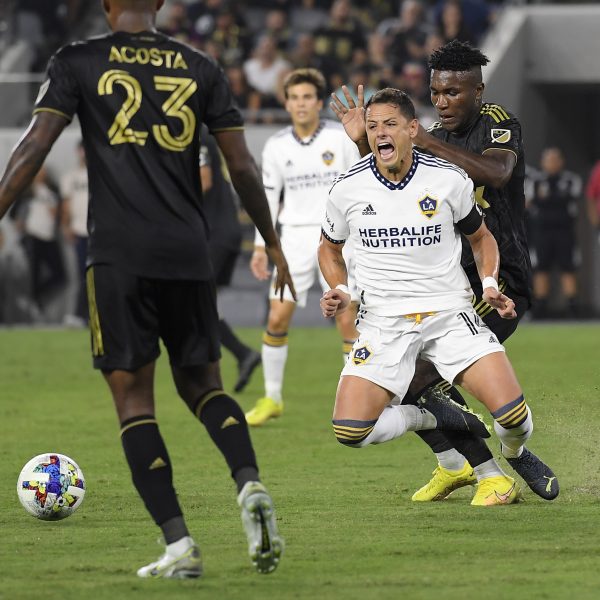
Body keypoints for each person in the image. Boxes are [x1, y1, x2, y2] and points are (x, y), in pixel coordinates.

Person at [0, 0, 296, 579]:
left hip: (119, 256)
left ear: (106, 4)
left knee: (135, 403)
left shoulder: (77, 60)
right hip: (187, 251)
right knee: (205, 387)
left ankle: (180, 544)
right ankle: (249, 483)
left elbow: (34, 147)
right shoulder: (201, 66)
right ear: (159, 2)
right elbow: (241, 166)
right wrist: (272, 240)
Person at [330, 40, 558, 504]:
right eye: (435, 93)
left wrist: (423, 139)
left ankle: (505, 457)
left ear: (478, 91)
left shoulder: (497, 123)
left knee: (419, 381)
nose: (442, 102)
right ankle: (465, 468)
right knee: (408, 381)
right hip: (445, 278)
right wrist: (364, 141)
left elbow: (497, 173)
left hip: (500, 278)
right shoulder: (430, 136)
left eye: (452, 92)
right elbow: (389, 179)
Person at [246, 67, 360, 427]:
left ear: (318, 101)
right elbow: (268, 198)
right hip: (293, 239)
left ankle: (354, 401)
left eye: (307, 97)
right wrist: (261, 247)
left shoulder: (340, 138)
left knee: (347, 320)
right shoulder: (277, 145)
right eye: (294, 97)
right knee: (277, 317)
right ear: (286, 103)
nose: (300, 104)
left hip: (338, 240)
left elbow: (360, 185)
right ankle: (272, 398)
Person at [199, 125, 262, 391]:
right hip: (223, 231)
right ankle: (241, 355)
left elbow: (203, 181)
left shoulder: (197, 136)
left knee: (194, 302)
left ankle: (207, 370)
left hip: (215, 234)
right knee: (203, 303)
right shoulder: (208, 136)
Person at [526, 146, 582, 319]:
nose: (552, 163)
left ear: (561, 161)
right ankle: (540, 306)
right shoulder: (535, 181)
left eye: (555, 159)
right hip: (542, 232)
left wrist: (548, 199)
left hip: (564, 231)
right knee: (540, 268)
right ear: (542, 162)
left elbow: (571, 199)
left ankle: (572, 307)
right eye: (548, 160)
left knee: (568, 267)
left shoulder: (571, 179)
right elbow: (528, 202)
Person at [60, 140, 89, 326]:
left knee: (100, 275)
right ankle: (81, 314)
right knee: (82, 275)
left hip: (99, 232)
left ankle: (94, 314)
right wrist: (66, 226)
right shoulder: (70, 177)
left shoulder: (101, 174)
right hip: (79, 231)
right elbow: (66, 205)